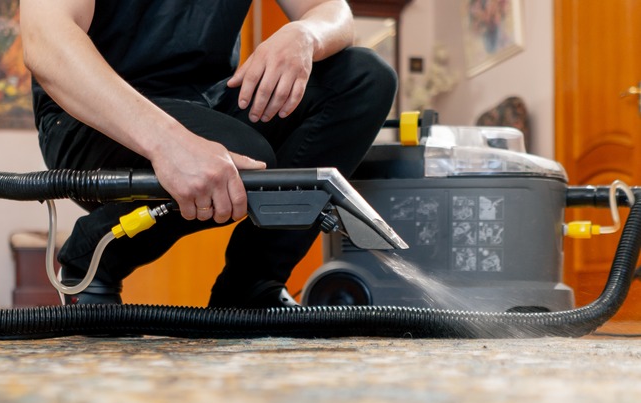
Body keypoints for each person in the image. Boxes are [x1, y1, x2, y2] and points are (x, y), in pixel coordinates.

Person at [20, 0, 397, 308]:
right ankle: (95, 254)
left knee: (365, 78)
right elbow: (45, 39)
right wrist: (168, 143)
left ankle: (250, 287)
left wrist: (305, 34)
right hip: (90, 119)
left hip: (207, 102)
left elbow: (334, 10)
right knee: (241, 156)